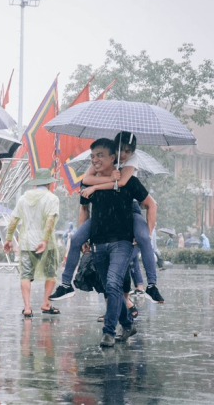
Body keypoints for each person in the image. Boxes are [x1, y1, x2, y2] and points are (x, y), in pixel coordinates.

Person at [50, 132, 164, 304]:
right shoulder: (95, 172)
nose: (123, 155)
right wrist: (84, 235)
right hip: (102, 223)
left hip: (127, 215)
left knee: (142, 240)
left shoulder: (131, 170)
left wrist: (147, 233)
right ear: (114, 151)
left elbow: (123, 182)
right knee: (77, 241)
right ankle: (66, 284)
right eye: (121, 150)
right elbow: (86, 187)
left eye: (128, 151)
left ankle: (151, 285)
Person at [78, 138, 157, 347]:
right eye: (92, 156)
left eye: (100, 155)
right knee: (108, 288)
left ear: (114, 157)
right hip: (97, 242)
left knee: (114, 284)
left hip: (122, 242)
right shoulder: (88, 181)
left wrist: (145, 235)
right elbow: (84, 209)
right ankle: (128, 324)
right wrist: (83, 238)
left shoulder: (128, 181)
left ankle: (109, 332)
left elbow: (150, 204)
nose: (95, 159)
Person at [4, 168, 61, 317]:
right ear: (49, 183)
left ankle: (27, 307)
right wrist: (44, 239)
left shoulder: (23, 198)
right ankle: (45, 303)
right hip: (45, 243)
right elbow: (50, 220)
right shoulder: (52, 198)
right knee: (50, 273)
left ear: (36, 183)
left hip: (26, 242)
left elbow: (13, 220)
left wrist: (9, 239)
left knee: (25, 275)